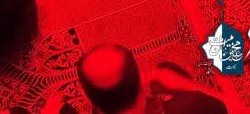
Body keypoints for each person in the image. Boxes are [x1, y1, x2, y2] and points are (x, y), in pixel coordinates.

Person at [71, 44, 228, 114]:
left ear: (87, 95)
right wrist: (187, 85)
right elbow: (230, 106)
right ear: (141, 78)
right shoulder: (189, 105)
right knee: (167, 69)